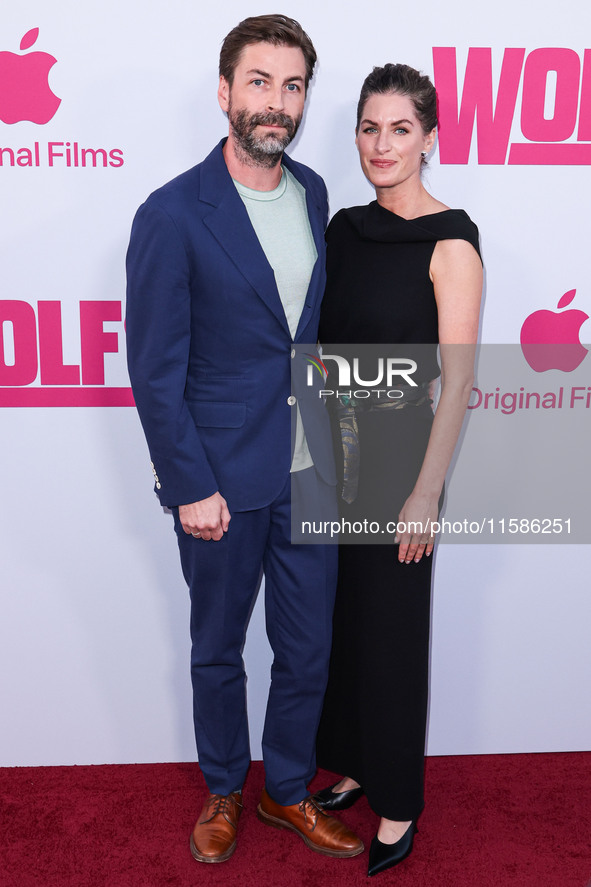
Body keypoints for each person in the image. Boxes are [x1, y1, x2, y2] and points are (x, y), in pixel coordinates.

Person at [125, 14, 363, 865]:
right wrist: (188, 481)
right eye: (259, 82)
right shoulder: (172, 213)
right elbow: (154, 367)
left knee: (307, 648)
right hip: (221, 477)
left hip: (312, 472)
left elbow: (303, 338)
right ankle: (225, 785)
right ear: (225, 93)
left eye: (292, 85)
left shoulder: (312, 194)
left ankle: (286, 789)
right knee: (218, 648)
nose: (276, 102)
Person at [313, 63, 483, 877]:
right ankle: (351, 758)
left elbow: (459, 381)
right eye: (369, 128)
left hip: (401, 466)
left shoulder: (451, 239)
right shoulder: (343, 227)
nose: (382, 145)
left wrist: (424, 492)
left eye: (400, 129)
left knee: (390, 631)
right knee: (340, 620)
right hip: (331, 457)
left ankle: (400, 801)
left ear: (429, 136)